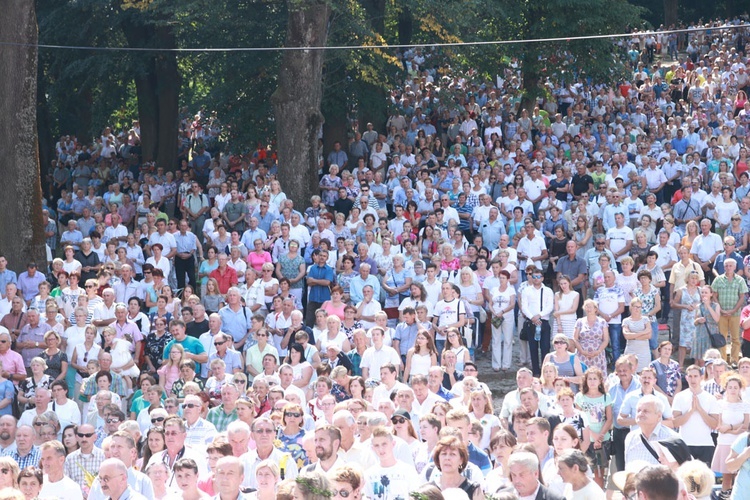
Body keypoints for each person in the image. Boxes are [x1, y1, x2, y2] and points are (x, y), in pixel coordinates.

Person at [520, 267, 553, 376]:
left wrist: (540, 315)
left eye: (538, 277)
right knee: (533, 349)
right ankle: (535, 372)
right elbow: (524, 306)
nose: (536, 279)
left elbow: (550, 306)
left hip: (544, 321)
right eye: (534, 276)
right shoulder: (526, 290)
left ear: (542, 278)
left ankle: (545, 372)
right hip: (531, 322)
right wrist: (532, 317)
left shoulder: (548, 291)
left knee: (545, 348)